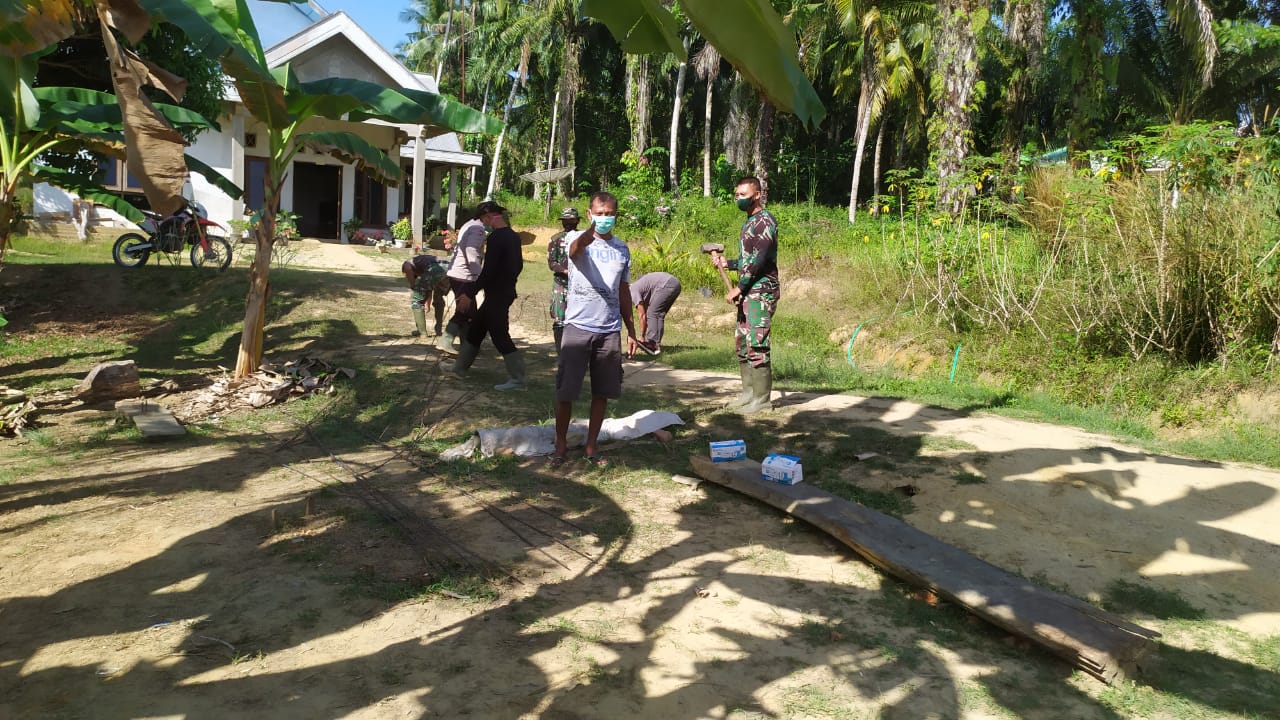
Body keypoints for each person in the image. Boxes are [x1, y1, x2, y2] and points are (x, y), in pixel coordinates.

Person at [549, 192, 639, 468]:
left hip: (608, 330)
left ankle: (591, 446)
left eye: (609, 213)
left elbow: (623, 291)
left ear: (616, 215)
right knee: (566, 391)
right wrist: (591, 231)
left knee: (602, 392)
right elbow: (576, 252)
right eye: (599, 214)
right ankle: (561, 445)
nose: (604, 218)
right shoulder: (574, 241)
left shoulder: (622, 250)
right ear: (589, 215)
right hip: (578, 328)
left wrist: (631, 329)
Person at [711, 176, 779, 413]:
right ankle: (749, 394)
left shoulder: (765, 221)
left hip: (761, 291)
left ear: (757, 194)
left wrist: (739, 287)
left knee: (757, 342)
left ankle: (762, 401)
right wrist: (726, 263)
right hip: (749, 291)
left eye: (743, 194)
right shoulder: (749, 223)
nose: (738, 198)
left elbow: (759, 260)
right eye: (737, 195)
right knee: (743, 342)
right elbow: (746, 260)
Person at [452, 201, 526, 391]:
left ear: (488, 217)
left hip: (498, 294)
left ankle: (518, 380)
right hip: (504, 290)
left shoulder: (495, 238)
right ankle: (459, 369)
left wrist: (470, 292)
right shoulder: (513, 237)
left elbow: (489, 270)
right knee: (477, 328)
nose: (484, 224)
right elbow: (518, 266)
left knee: (499, 334)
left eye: (484, 219)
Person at [437, 207, 486, 353]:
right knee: (464, 310)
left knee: (470, 312)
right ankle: (446, 340)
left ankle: (468, 345)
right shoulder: (478, 227)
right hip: (464, 275)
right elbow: (471, 251)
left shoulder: (469, 224)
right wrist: (478, 274)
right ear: (486, 215)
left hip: (458, 272)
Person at [546, 206, 581, 352]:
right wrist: (566, 271)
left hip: (580, 286)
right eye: (565, 221)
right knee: (559, 320)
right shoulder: (555, 239)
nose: (568, 224)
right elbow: (551, 262)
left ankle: (578, 352)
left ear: (577, 221)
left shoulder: (584, 238)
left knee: (579, 321)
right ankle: (561, 353)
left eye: (571, 221)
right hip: (561, 284)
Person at [626, 271, 682, 356]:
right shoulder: (638, 289)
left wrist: (642, 336)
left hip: (667, 284)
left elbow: (642, 315)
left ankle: (651, 343)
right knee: (659, 314)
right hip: (675, 283)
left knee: (653, 313)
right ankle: (655, 344)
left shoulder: (632, 291)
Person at [402, 253, 449, 339]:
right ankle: (438, 330)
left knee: (416, 301)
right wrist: (427, 304)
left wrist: (412, 285)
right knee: (438, 299)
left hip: (435, 269)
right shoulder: (424, 264)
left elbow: (407, 268)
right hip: (450, 269)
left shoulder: (407, 264)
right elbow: (429, 288)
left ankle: (422, 332)